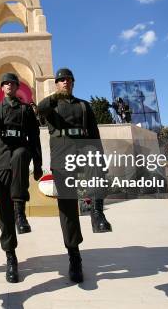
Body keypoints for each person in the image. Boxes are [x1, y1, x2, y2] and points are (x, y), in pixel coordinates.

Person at [37, 68, 112, 284]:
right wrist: (54, 97)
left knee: (93, 157)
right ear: (56, 84)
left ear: (73, 83)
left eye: (68, 80)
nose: (65, 83)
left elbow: (95, 135)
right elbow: (40, 110)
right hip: (62, 152)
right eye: (61, 80)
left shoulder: (84, 105)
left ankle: (97, 213)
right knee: (67, 206)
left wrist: (102, 160)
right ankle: (74, 256)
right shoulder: (52, 104)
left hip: (84, 146)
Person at [0, 73, 42, 283]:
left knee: (23, 154)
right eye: (5, 83)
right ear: (2, 88)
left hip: (20, 148)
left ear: (17, 86)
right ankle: (10, 255)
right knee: (3, 208)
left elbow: (34, 137)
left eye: (12, 83)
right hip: (1, 154)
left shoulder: (25, 109)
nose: (8, 86)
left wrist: (39, 164)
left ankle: (20, 212)